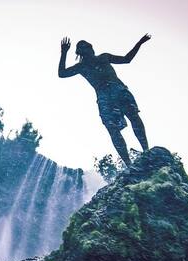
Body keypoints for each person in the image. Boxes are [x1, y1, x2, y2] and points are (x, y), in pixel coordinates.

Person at [58, 34, 151, 166]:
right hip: (105, 97)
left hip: (118, 90)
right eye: (85, 48)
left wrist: (140, 43)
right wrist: (64, 53)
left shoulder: (104, 57)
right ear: (81, 53)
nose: (89, 50)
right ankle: (129, 163)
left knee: (133, 117)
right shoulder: (81, 67)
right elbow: (61, 74)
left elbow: (127, 59)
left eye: (89, 47)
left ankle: (146, 150)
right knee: (113, 129)